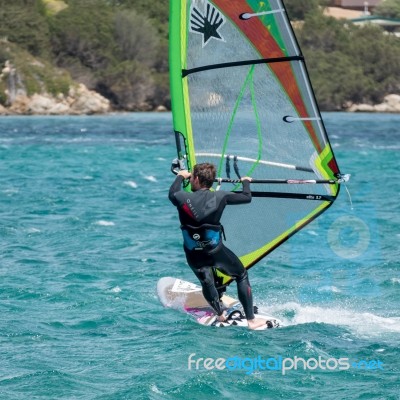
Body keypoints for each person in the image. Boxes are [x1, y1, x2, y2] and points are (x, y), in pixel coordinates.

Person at [168, 162, 268, 330]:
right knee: (241, 275)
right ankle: (251, 321)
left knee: (206, 281)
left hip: (193, 254)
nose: (190, 180)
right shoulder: (221, 196)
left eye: (192, 178)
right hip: (215, 251)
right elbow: (246, 197)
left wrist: (180, 176)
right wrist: (245, 181)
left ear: (197, 179)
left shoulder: (181, 197)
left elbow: (172, 193)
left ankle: (220, 315)